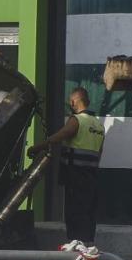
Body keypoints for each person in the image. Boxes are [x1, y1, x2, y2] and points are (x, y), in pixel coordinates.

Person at [28, 87, 106, 244]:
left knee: (74, 213)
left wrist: (37, 147)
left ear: (73, 102)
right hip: (91, 176)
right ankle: (87, 245)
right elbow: (99, 152)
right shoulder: (98, 125)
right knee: (87, 212)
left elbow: (60, 136)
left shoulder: (77, 120)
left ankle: (75, 248)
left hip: (75, 176)